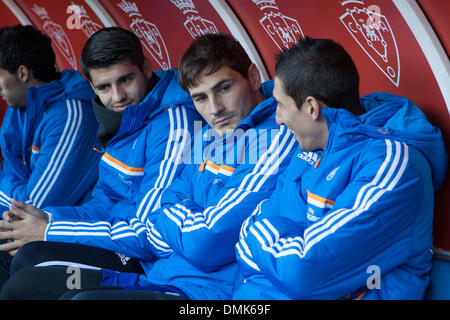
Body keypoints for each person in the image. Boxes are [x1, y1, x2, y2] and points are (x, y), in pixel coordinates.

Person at [0, 33, 297, 300]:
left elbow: (199, 240)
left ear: (254, 78)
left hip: (199, 288)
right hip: (163, 273)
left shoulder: (263, 135)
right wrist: (52, 220)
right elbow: (145, 214)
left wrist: (54, 227)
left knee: (47, 280)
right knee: (27, 270)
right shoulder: (211, 134)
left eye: (224, 89)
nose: (214, 107)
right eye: (201, 98)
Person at [233, 37, 448, 300]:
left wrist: (256, 230)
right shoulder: (308, 149)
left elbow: (303, 271)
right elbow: (247, 247)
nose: (277, 118)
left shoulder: (395, 165)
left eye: (280, 104)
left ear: (311, 107)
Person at [0, 27, 202, 290]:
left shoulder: (174, 125)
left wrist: (50, 230)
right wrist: (49, 218)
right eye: (104, 87)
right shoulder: (123, 118)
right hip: (115, 238)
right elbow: (105, 202)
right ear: (92, 86)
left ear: (147, 67)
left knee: (29, 267)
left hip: (146, 260)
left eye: (126, 80)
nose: (117, 96)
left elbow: (147, 233)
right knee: (13, 248)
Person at [0, 25, 101, 283]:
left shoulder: (70, 114)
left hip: (69, 228)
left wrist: (7, 190)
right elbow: (9, 167)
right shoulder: (22, 104)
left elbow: (34, 204)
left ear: (22, 73)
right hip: (29, 221)